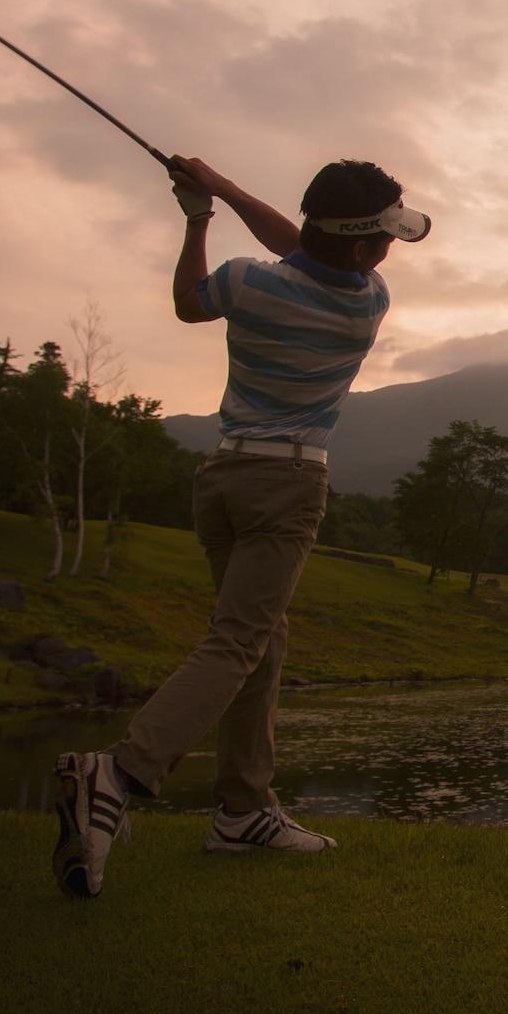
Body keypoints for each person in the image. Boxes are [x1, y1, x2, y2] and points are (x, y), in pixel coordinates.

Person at [51, 155, 430, 899]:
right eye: (382, 237)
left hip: (221, 479)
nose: (387, 250)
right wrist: (216, 192)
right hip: (287, 485)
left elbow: (193, 301)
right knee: (238, 640)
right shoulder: (366, 302)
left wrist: (201, 212)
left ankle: (242, 810)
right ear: (362, 251)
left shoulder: (249, 283)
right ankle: (119, 773)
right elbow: (308, 245)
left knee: (262, 636)